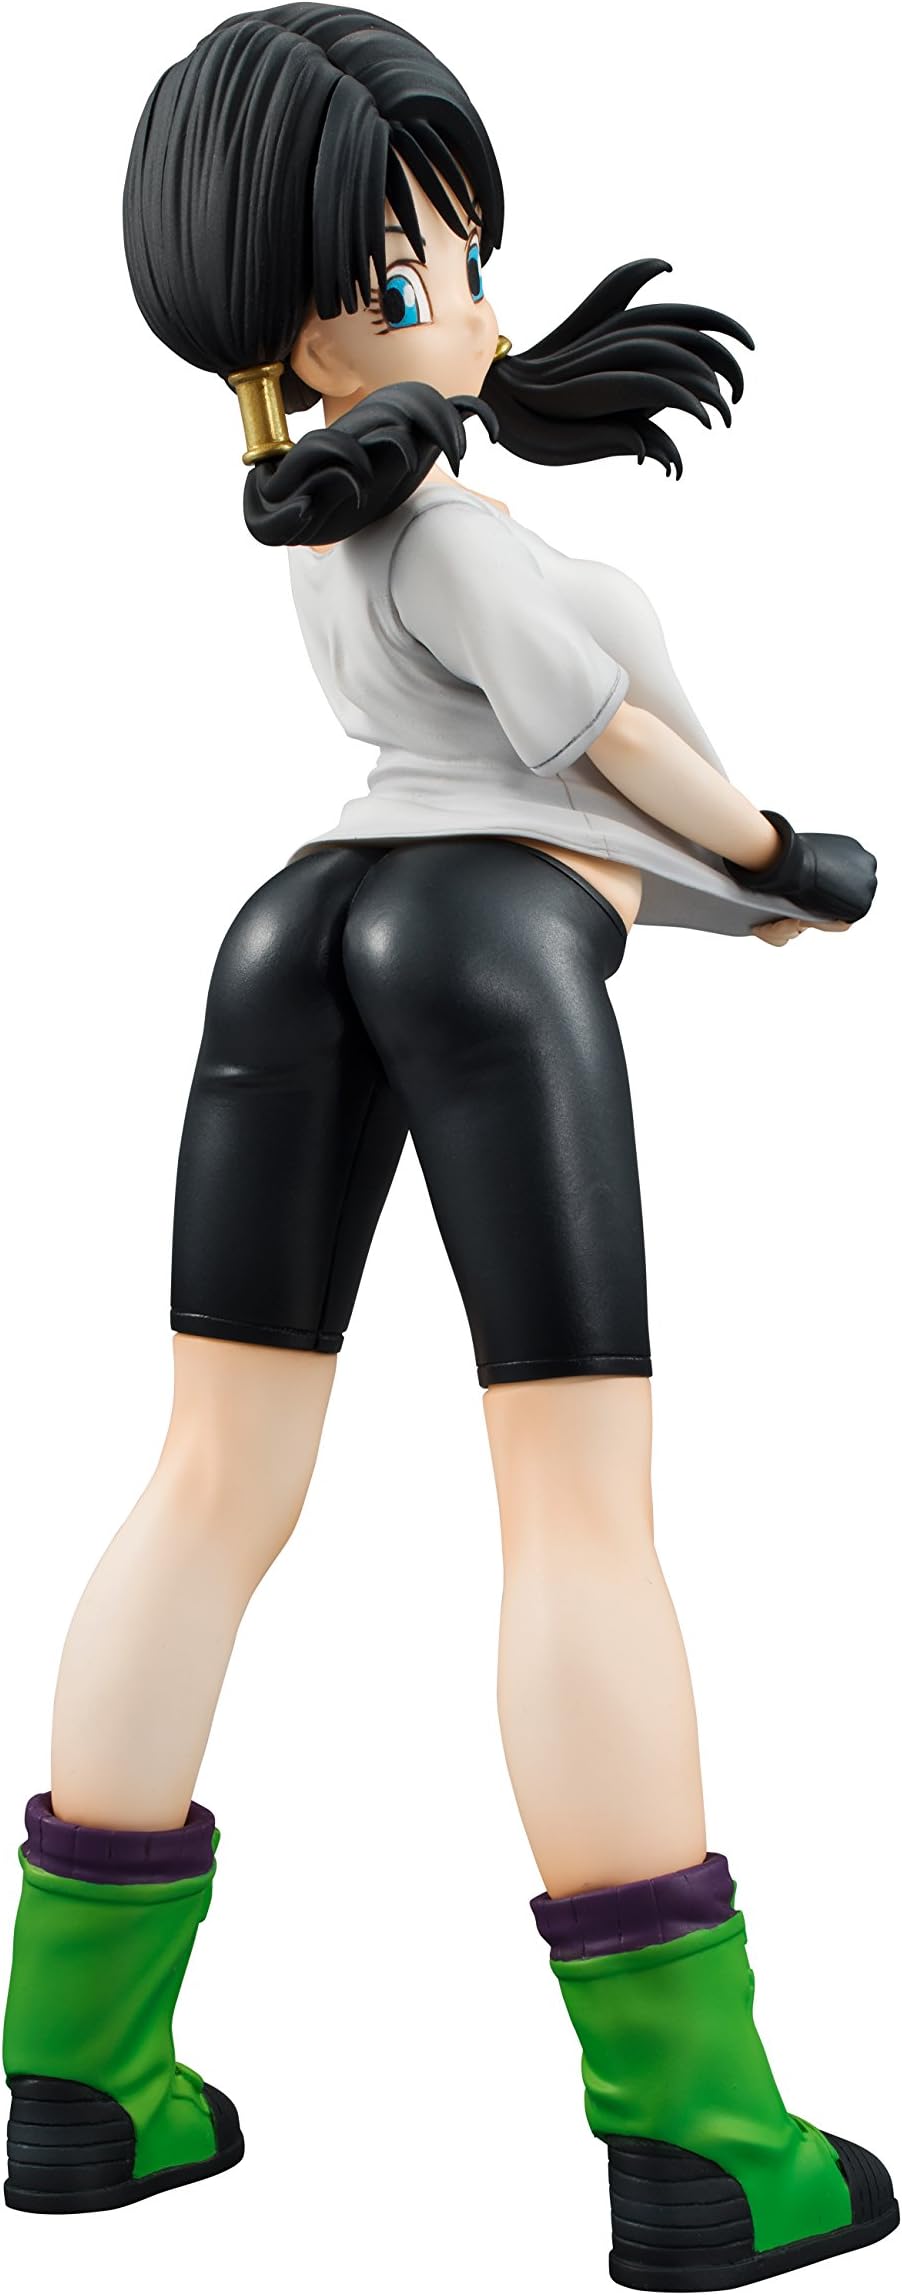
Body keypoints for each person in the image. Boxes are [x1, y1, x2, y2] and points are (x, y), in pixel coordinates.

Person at [3, 8, 896, 2283]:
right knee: (577, 1508)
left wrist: (736, 903)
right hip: (486, 950)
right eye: (410, 269)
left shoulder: (332, 520)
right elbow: (604, 760)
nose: (463, 299)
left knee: (210, 1473)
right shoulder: (453, 529)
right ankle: (698, 2131)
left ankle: (78, 2078)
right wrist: (778, 851)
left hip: (290, 931)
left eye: (464, 254)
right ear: (294, 314)